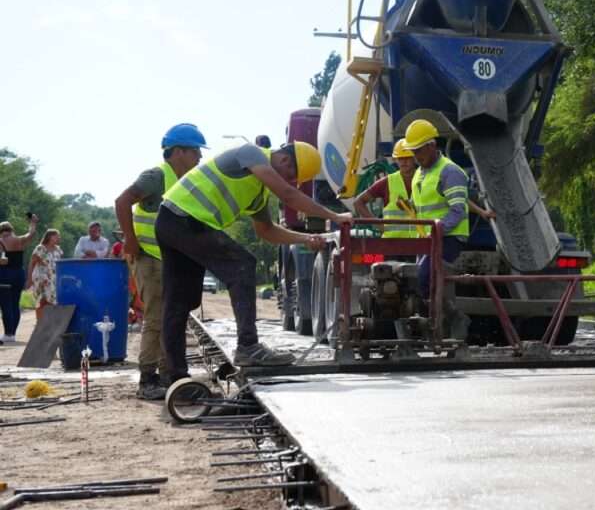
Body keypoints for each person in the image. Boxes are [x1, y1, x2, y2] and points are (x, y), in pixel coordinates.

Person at [156, 139, 352, 378]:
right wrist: (334, 215)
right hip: (185, 220)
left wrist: (306, 238)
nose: (288, 182)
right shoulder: (250, 153)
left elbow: (267, 231)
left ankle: (174, 376)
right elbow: (289, 195)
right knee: (242, 264)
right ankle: (248, 346)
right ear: (284, 159)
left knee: (180, 301)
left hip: (172, 221)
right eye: (291, 175)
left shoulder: (257, 193)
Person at [113, 123, 207, 400]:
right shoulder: (156, 177)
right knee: (155, 319)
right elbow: (122, 202)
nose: (199, 158)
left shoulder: (186, 181)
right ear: (178, 152)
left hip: (170, 261)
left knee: (173, 318)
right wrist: (130, 239)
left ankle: (169, 375)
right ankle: (148, 378)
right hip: (150, 258)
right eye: (195, 152)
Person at [404, 119, 472, 340]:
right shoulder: (420, 173)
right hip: (428, 239)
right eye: (413, 151)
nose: (415, 156)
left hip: (450, 238)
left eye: (419, 151)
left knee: (426, 277)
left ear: (432, 146)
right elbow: (420, 206)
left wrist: (437, 230)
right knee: (417, 280)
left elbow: (457, 211)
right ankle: (433, 325)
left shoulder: (451, 172)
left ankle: (453, 317)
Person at [353, 139, 421, 238]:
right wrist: (379, 225)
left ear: (414, 158)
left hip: (420, 242)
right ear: (395, 159)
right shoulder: (387, 182)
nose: (404, 161)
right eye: (400, 158)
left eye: (407, 157)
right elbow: (358, 202)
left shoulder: (424, 180)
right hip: (392, 244)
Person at [0, 215, 40, 343]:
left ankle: (8, 334)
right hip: (19, 273)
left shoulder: (1, 241)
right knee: (14, 303)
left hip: (5, 274)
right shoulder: (20, 240)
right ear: (11, 229)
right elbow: (31, 233)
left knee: (5, 304)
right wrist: (33, 222)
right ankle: (12, 333)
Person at [27, 229, 62, 321]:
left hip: (54, 278)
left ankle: (49, 322)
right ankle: (40, 322)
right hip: (41, 278)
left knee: (53, 300)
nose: (59, 237)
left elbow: (60, 264)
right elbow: (32, 263)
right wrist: (29, 279)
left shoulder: (58, 249)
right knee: (42, 301)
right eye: (57, 236)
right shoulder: (40, 248)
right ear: (50, 237)